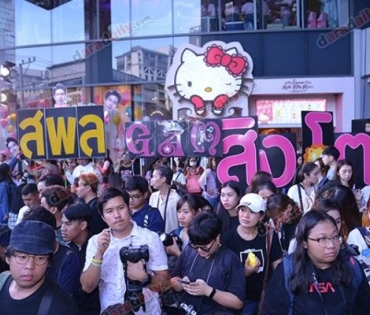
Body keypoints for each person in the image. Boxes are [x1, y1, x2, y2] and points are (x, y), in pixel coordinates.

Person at [80, 188, 170, 314]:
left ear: (129, 208)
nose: (117, 215)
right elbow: (87, 287)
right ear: (103, 218)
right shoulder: (96, 242)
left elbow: (165, 283)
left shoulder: (150, 238)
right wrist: (99, 253)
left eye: (121, 208)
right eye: (109, 211)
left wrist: (145, 278)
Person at [262, 210, 370, 314]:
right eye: (321, 239)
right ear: (304, 242)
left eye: (335, 237)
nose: (331, 245)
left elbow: (364, 308)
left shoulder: (351, 266)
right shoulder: (288, 270)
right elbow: (272, 310)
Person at [171, 210, 245, 314]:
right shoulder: (189, 249)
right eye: (196, 246)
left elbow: (238, 302)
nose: (199, 251)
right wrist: (180, 284)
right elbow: (173, 279)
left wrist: (209, 291)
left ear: (218, 238)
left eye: (205, 247)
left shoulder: (230, 259)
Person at [0, 220, 78, 314]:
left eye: (40, 258)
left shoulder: (61, 307)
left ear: (49, 262)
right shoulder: (2, 281)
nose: (30, 266)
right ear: (8, 258)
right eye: (22, 257)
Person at [222, 193, 283, 314]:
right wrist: (245, 272)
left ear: (261, 216)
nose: (245, 215)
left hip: (265, 296)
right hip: (239, 298)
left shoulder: (268, 234)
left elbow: (278, 265)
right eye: (242, 210)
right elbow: (223, 276)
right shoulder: (227, 239)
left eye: (252, 212)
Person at [22, 207, 81, 297]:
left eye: (38, 236)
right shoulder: (24, 254)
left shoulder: (69, 259)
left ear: (53, 233)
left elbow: (63, 298)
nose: (34, 241)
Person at [61, 203, 101, 315]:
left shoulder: (99, 246)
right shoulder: (67, 249)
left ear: (83, 225)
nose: (63, 229)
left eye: (68, 224)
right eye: (62, 223)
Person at [149, 165, 181, 233]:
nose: (152, 179)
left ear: (163, 179)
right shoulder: (153, 196)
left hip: (171, 239)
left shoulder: (176, 199)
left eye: (154, 176)